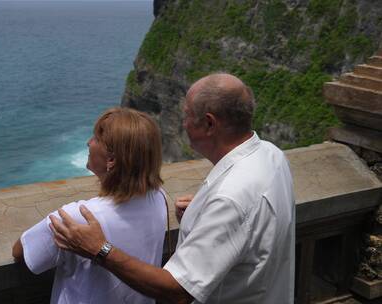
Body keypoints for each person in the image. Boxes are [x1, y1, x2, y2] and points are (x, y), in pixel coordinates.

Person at [50, 73, 295, 304]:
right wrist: (205, 214)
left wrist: (100, 249)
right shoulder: (271, 156)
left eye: (187, 115)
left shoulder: (229, 199)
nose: (183, 123)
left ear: (209, 124)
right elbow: (252, 229)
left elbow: (177, 291)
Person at [12, 107, 168, 304]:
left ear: (111, 160)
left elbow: (21, 252)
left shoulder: (78, 217)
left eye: (96, 138)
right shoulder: (159, 197)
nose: (89, 142)